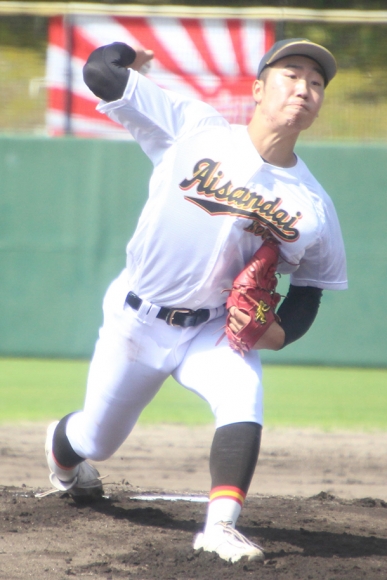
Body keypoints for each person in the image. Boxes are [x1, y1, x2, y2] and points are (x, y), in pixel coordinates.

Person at [44, 38, 347, 563]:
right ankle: (63, 449)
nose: (304, 88)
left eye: (316, 83)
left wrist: (276, 333)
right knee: (97, 439)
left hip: (213, 328)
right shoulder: (195, 127)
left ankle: (220, 528)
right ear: (256, 89)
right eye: (291, 75)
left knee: (243, 392)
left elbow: (311, 288)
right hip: (137, 321)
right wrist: (127, 57)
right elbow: (98, 70)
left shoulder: (313, 205)